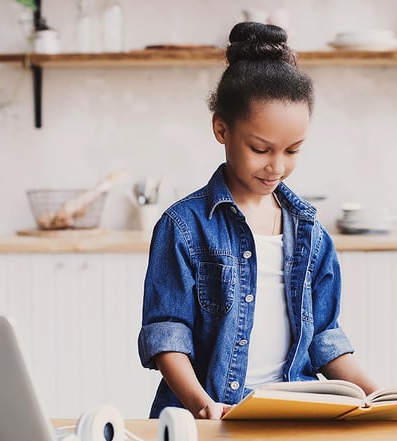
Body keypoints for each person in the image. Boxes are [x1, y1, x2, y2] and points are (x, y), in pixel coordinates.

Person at [138, 22, 378, 420]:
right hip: (209, 414)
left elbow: (324, 337)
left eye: (293, 150)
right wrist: (204, 406)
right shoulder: (183, 226)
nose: (277, 166)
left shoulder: (310, 232)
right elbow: (167, 334)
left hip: (295, 412)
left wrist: (379, 395)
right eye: (261, 149)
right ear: (221, 128)